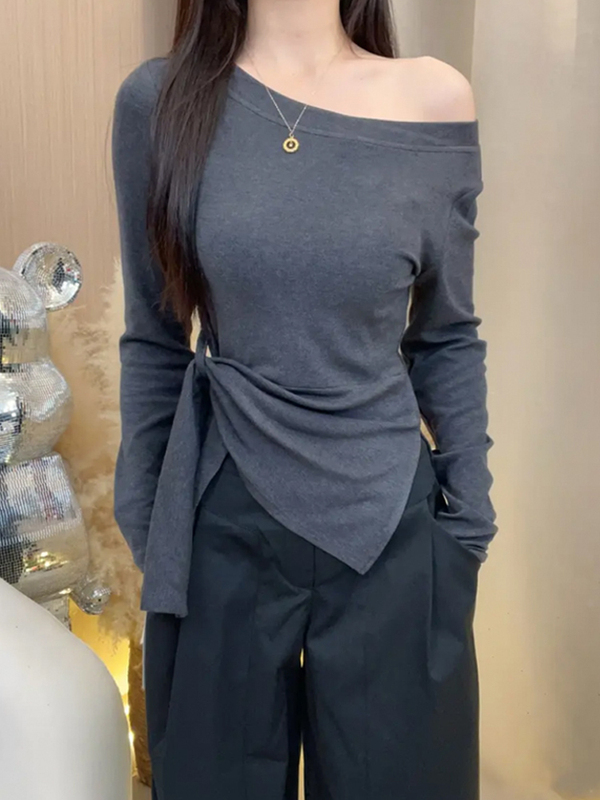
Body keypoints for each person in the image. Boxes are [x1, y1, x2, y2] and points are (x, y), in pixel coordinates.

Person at [111, 1, 498, 798]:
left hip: (392, 531)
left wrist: (467, 524)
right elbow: (154, 336)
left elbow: (446, 334)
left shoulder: (433, 99)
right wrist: (151, 526)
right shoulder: (159, 102)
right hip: (221, 520)